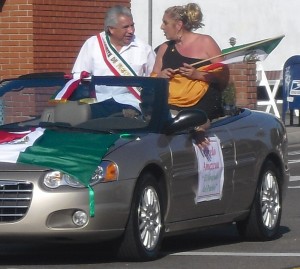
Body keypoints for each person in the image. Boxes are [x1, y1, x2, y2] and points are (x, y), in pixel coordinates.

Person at [72, 5, 156, 118]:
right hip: (96, 102)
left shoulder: (144, 49)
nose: (131, 31)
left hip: (130, 104)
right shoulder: (92, 44)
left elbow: (153, 80)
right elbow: (79, 77)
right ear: (111, 29)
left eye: (132, 26)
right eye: (125, 27)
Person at [152, 3, 229, 121]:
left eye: (165, 22)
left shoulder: (206, 42)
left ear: (178, 25)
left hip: (201, 107)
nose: (162, 27)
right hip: (169, 106)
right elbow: (152, 79)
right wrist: (160, 77)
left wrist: (197, 75)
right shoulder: (164, 48)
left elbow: (223, 78)